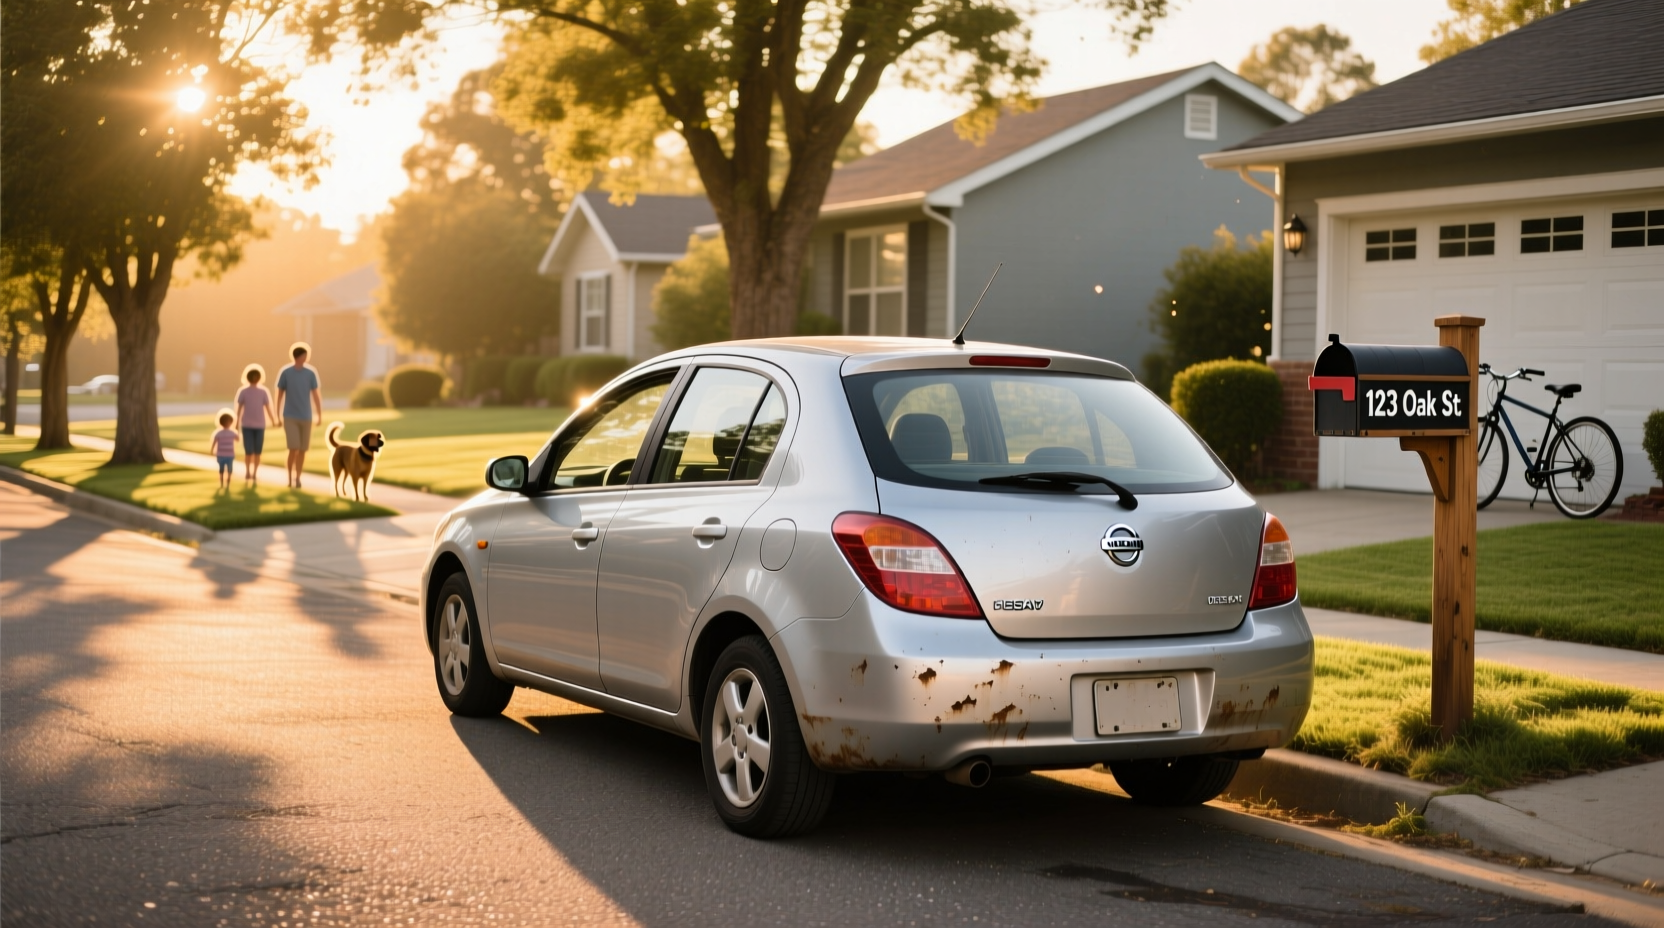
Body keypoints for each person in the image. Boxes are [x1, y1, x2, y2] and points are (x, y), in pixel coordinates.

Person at [275, 341, 323, 489]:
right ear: (299, 356)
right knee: (293, 447)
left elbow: (315, 394)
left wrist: (319, 414)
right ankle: (289, 478)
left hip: (306, 416)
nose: (306, 357)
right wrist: (277, 414)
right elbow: (279, 393)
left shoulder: (310, 373)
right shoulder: (286, 372)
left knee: (302, 449)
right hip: (290, 416)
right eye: (304, 354)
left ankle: (298, 477)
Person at [234, 364, 275, 486]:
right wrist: (236, 423)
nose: (255, 378)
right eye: (253, 376)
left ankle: (255, 473)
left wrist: (273, 421)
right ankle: (247, 472)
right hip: (246, 425)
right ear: (248, 377)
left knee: (258, 451)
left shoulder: (263, 392)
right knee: (248, 451)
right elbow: (239, 408)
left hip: (260, 426)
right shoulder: (243, 391)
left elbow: (268, 407)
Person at [211, 410, 239, 491]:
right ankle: (223, 483)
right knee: (224, 469)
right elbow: (238, 439)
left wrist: (212, 450)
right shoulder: (230, 433)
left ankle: (226, 483)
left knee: (225, 469)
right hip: (225, 454)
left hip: (225, 454)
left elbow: (237, 439)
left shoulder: (222, 433)